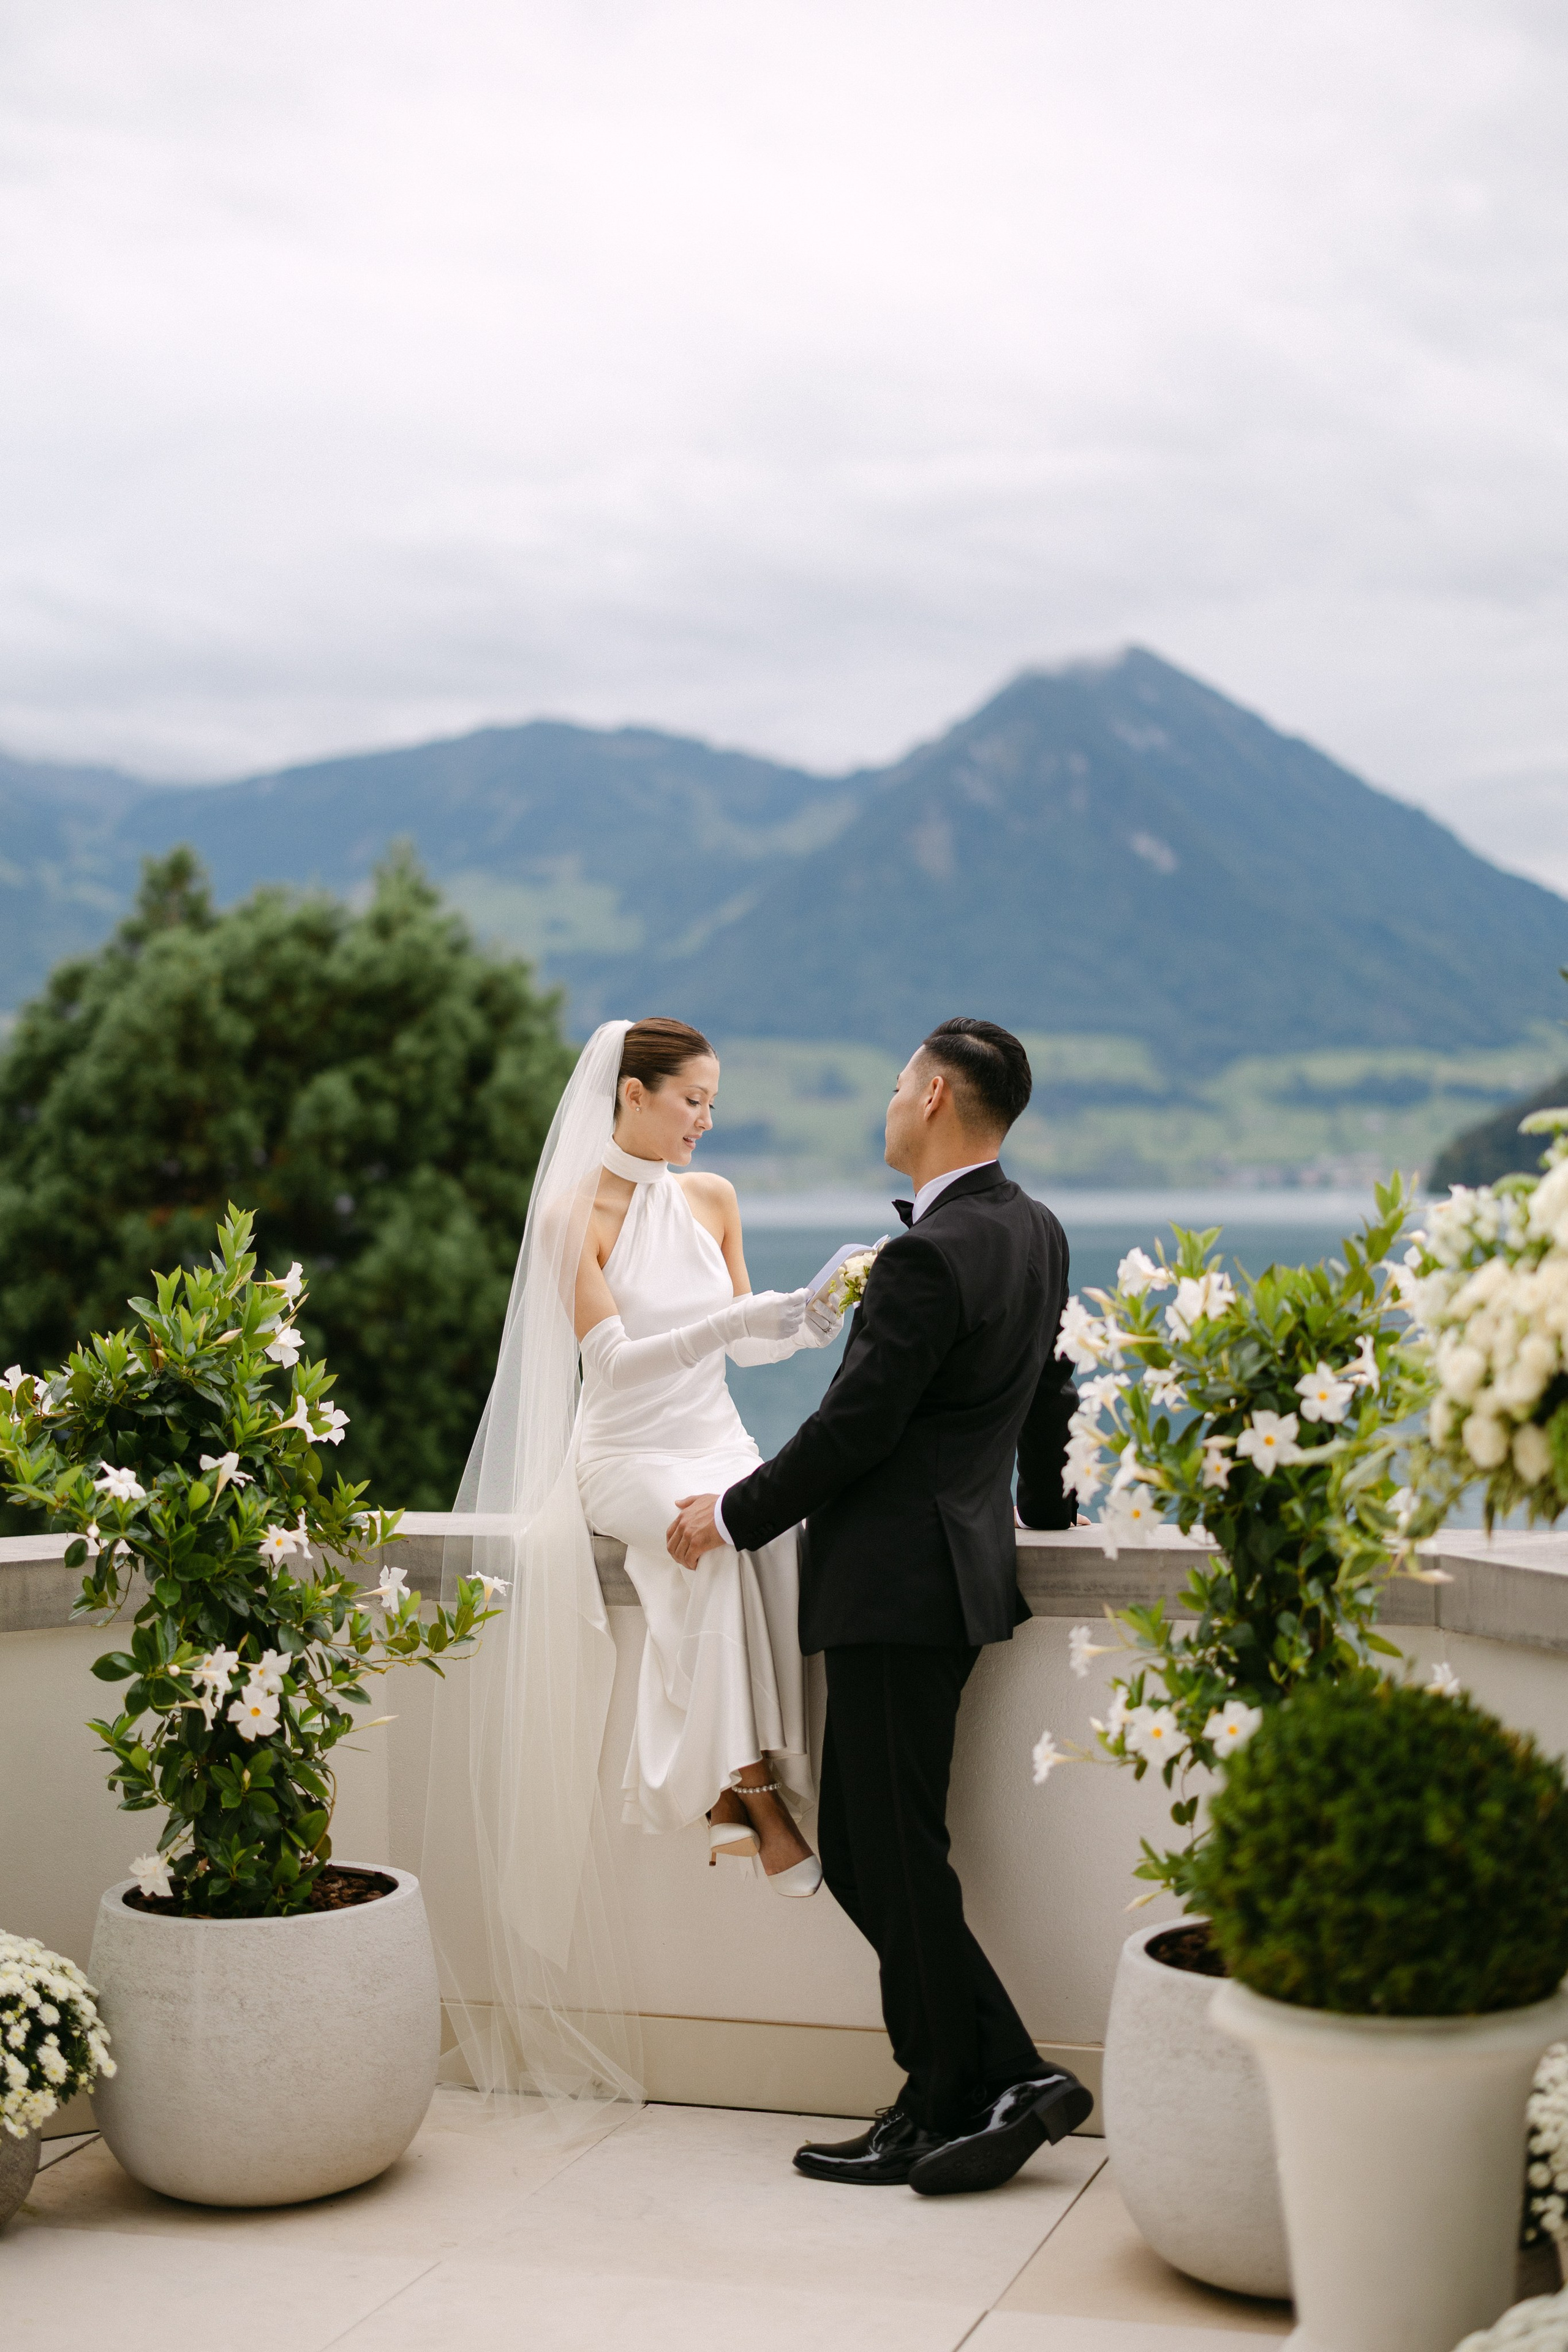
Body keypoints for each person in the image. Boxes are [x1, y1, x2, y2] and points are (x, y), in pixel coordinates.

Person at [666, 1016, 1089, 2195]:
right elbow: (1051, 1387)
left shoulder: (927, 1255)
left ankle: (984, 2080)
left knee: (882, 1847)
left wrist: (732, 1513)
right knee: (879, 1844)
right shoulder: (1036, 1230)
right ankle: (966, 2083)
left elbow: (854, 1428)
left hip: (894, 1585)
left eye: (902, 1080)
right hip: (957, 1577)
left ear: (938, 1092)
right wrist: (1049, 1510)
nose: (891, 1098)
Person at [573, 1016, 835, 1888]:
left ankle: (727, 1796)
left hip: (717, 1440)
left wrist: (809, 1321)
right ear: (634, 1095)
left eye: (713, 1103)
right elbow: (611, 1361)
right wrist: (730, 1320)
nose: (706, 1122)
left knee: (771, 1535)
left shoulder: (712, 1198)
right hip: (626, 1454)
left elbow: (748, 1346)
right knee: (717, 1551)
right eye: (693, 1101)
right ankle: (757, 1791)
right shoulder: (576, 1214)